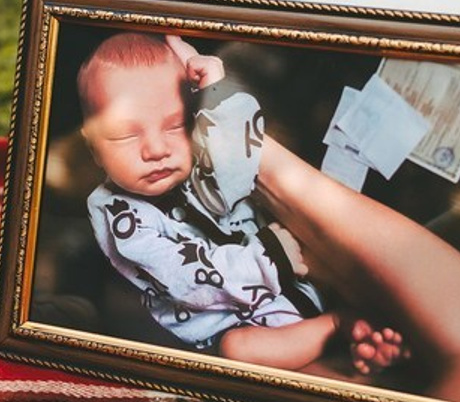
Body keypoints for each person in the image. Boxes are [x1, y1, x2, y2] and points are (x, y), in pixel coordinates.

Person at [78, 31, 411, 377]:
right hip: (241, 322)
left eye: (175, 126)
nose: (156, 150)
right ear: (93, 148)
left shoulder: (193, 163)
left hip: (298, 280)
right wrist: (269, 259)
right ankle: (339, 328)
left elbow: (237, 173)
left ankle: (370, 336)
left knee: (346, 244)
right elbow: (186, 281)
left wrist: (214, 92)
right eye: (126, 135)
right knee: (237, 350)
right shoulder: (118, 214)